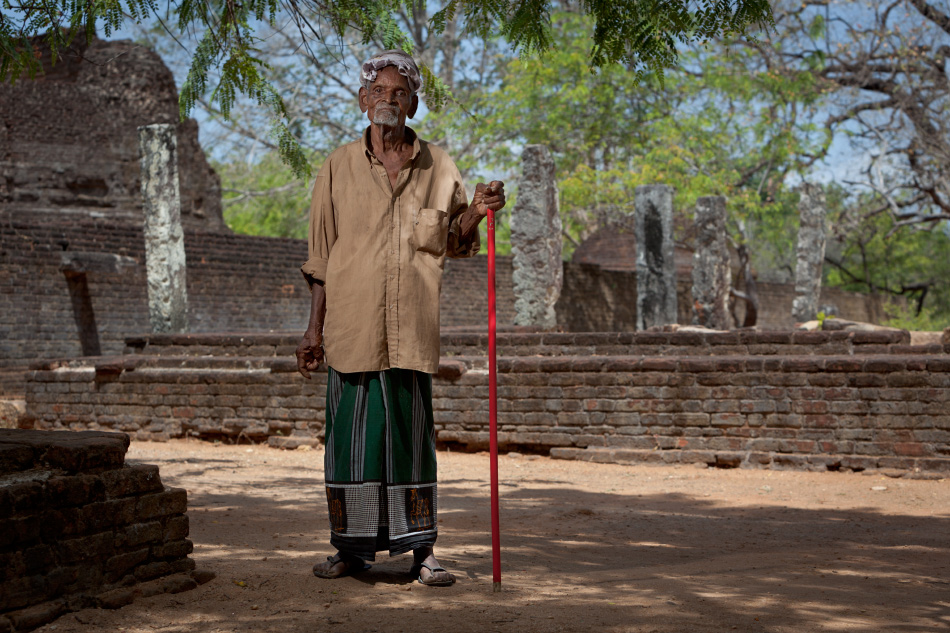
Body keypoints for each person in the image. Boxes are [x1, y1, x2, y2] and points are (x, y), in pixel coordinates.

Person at [295, 50, 506, 586]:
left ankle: (422, 552)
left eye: (400, 93)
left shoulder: (440, 168)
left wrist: (478, 209)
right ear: (362, 101)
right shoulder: (337, 167)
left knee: (411, 445)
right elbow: (319, 257)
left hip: (409, 333)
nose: (388, 101)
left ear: (413, 104)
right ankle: (350, 550)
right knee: (350, 445)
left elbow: (455, 240)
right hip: (351, 329)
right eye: (379, 92)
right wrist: (313, 329)